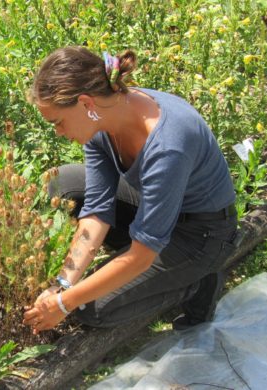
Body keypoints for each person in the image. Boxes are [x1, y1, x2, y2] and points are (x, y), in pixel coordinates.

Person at [23, 46, 240, 334]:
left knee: (90, 309)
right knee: (64, 183)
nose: (58, 132)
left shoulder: (167, 145)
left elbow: (142, 254)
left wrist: (66, 303)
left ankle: (197, 282)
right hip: (161, 207)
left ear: (86, 103)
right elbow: (98, 210)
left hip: (202, 233)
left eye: (58, 122)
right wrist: (63, 284)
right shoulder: (103, 118)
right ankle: (164, 271)